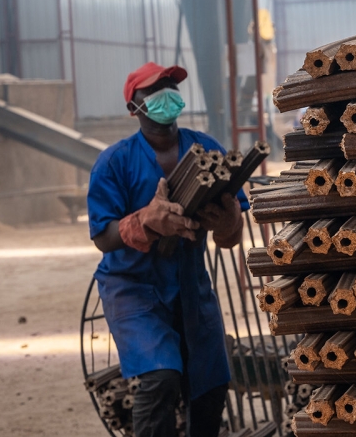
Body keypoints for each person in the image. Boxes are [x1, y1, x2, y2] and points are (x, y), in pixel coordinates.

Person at [88, 62, 246, 437]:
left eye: (171, 88)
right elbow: (102, 238)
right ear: (134, 107)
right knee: (161, 377)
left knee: (209, 386)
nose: (167, 97)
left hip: (191, 286)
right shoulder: (114, 162)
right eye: (154, 92)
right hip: (132, 287)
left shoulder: (205, 148)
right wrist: (144, 220)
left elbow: (231, 234)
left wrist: (229, 225)